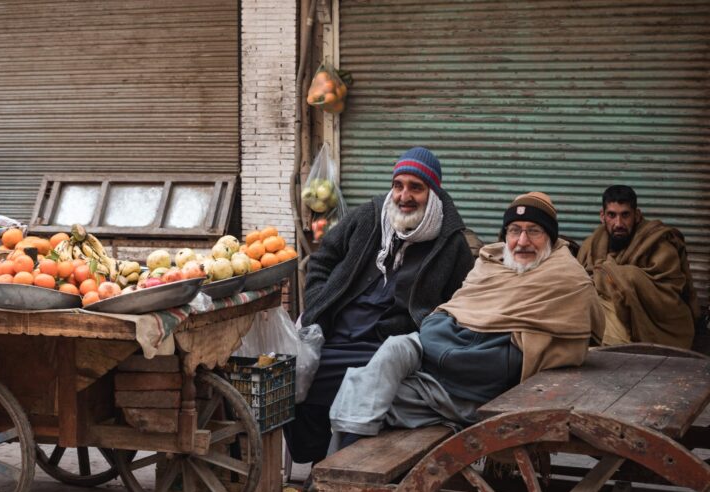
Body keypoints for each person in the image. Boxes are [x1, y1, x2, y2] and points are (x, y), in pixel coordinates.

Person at [328, 192, 603, 448]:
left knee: (365, 390)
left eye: (534, 231)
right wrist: (442, 337)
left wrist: (449, 345)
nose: (522, 241)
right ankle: (337, 479)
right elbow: (451, 311)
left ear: (551, 238)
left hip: (472, 385)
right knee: (393, 349)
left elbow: (512, 357)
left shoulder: (567, 279)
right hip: (440, 358)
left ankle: (338, 483)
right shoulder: (491, 263)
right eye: (514, 230)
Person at [284, 146, 475, 469]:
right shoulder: (370, 217)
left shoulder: (450, 242)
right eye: (399, 185)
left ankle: (344, 474)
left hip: (388, 343)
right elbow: (321, 260)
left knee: (364, 386)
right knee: (288, 377)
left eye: (416, 187)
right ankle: (317, 458)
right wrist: (319, 304)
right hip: (338, 331)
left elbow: (463, 302)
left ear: (434, 192)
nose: (404, 196)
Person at [577, 185, 699, 349]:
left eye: (625, 215)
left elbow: (667, 295)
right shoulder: (592, 244)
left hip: (656, 323)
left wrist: (620, 278)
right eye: (612, 215)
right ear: (602, 216)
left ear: (636, 215)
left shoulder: (657, 244)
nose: (618, 223)